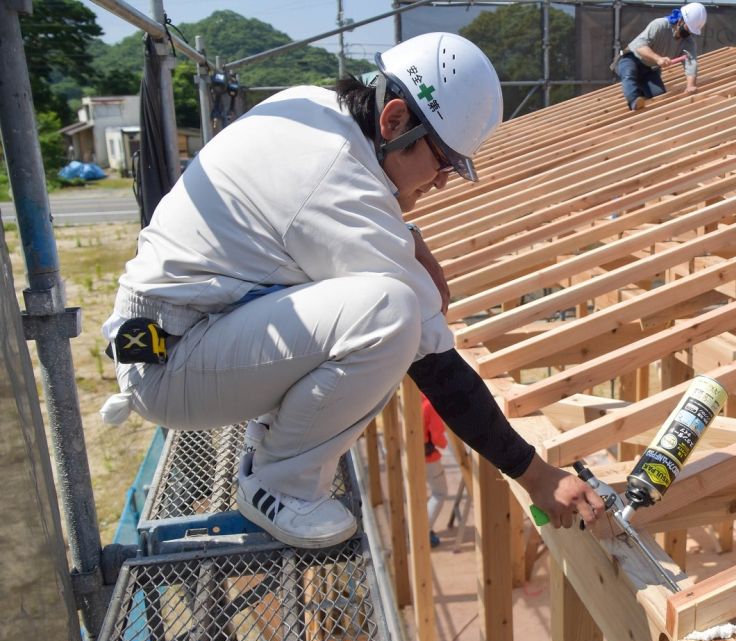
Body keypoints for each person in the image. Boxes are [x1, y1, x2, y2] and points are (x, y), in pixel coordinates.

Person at [100, 32, 604, 549]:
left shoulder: (314, 111)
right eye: (443, 161)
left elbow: (305, 211)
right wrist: (535, 473)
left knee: (380, 303)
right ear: (394, 121)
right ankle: (280, 485)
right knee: (391, 313)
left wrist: (407, 234)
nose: (442, 182)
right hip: (173, 362)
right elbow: (434, 361)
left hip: (173, 336)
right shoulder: (335, 180)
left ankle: (275, 447)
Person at [615, 3, 707, 111]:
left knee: (659, 95)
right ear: (681, 20)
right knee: (629, 74)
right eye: (688, 28)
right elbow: (640, 47)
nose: (689, 33)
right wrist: (658, 59)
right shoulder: (660, 25)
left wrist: (691, 85)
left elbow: (691, 62)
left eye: (691, 31)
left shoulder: (688, 42)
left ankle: (641, 93)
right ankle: (634, 101)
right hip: (631, 59)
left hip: (650, 70)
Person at [422, 393, 449, 548]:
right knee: (439, 493)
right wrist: (446, 446)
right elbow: (438, 437)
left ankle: (420, 528)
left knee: (420, 495)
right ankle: (424, 531)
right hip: (428, 458)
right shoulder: (429, 404)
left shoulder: (415, 398)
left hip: (413, 456)